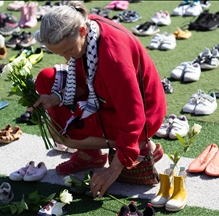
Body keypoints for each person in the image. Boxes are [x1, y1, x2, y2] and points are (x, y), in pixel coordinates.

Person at [32, 1, 166, 198]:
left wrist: (113, 169)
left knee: (65, 134)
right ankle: (91, 155)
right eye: (60, 54)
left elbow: (135, 116)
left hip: (145, 115)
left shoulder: (113, 56)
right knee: (46, 80)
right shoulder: (88, 29)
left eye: (68, 51)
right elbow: (86, 78)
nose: (67, 59)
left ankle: (142, 145)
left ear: (83, 30)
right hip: (106, 96)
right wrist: (57, 97)